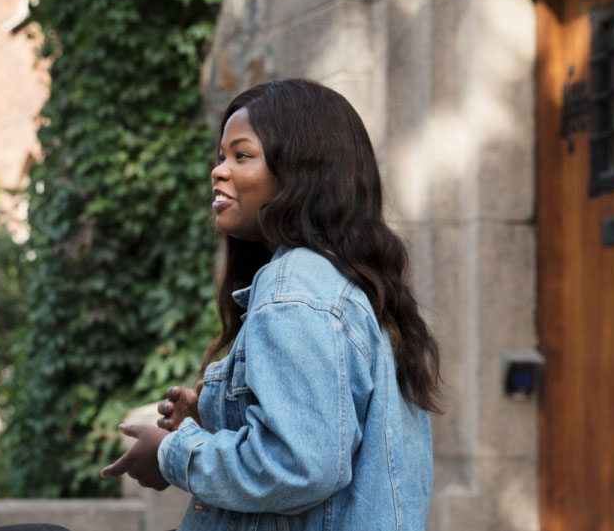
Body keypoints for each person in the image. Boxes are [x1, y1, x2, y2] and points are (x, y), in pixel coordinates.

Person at [102, 79, 441, 531]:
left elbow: (298, 466)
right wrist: (213, 417)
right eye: (221, 156)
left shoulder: (295, 285)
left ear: (301, 173)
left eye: (242, 155)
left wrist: (172, 454)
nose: (218, 171)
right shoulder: (347, 283)